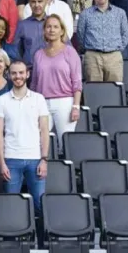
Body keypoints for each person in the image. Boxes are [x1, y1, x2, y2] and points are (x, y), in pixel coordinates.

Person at [0, 60, 49, 218]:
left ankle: (40, 241)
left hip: (35, 159)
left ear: (27, 74)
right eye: (14, 73)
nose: (18, 76)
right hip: (11, 160)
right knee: (11, 206)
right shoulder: (1, 101)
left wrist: (44, 159)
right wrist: (2, 163)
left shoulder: (39, 99)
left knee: (39, 205)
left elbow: (44, 131)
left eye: (21, 73)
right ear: (9, 75)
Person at [31, 15, 83, 151]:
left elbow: (77, 81)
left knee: (65, 143)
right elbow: (34, 83)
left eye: (55, 27)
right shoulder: (38, 54)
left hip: (64, 102)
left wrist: (76, 106)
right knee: (39, 143)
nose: (52, 30)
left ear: (62, 31)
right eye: (48, 27)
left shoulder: (70, 52)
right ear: (44, 31)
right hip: (42, 102)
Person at [76, 0, 128, 82]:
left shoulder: (120, 13)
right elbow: (80, 35)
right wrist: (89, 50)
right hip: (93, 57)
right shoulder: (85, 14)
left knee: (114, 90)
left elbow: (125, 34)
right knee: (94, 91)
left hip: (114, 56)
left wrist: (118, 49)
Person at [13, 0, 48, 71]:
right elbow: (16, 52)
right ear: (29, 3)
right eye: (33, 2)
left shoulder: (54, 24)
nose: (37, 5)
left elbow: (67, 48)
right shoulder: (22, 25)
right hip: (30, 71)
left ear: (45, 2)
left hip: (51, 71)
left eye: (40, 1)